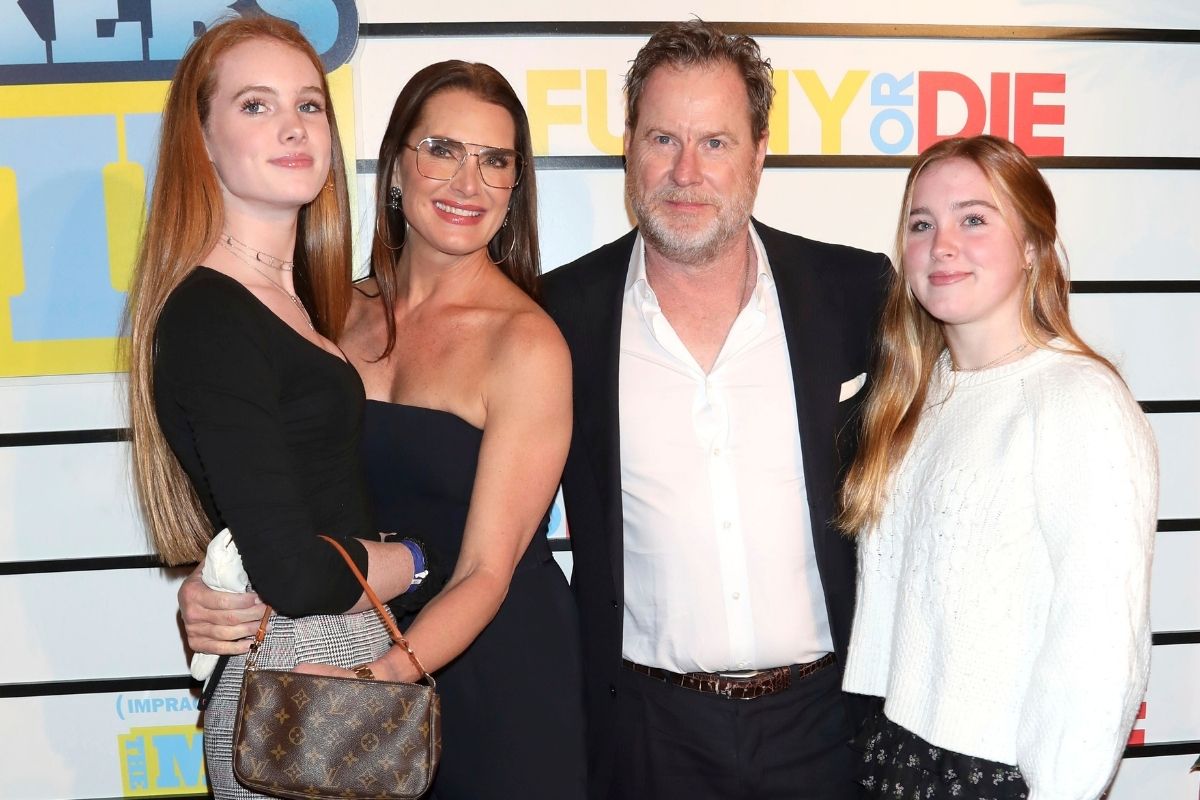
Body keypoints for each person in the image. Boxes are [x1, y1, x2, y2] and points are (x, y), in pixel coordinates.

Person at [177, 60, 587, 799]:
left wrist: (374, 685)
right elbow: (278, 504)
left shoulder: (526, 345)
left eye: (495, 161)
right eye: (442, 150)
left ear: (515, 187)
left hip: (490, 676)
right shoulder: (323, 314)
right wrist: (218, 587)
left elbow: (486, 571)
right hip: (343, 644)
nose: (468, 184)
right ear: (397, 165)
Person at [541, 20, 889, 800]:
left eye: (717, 143)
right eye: (663, 138)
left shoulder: (854, 293)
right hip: (646, 735)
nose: (685, 172)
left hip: (829, 725)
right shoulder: (559, 313)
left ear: (760, 153)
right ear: (628, 144)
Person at [124, 16, 422, 799]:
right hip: (298, 670)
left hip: (335, 661)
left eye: (309, 105)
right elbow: (291, 569)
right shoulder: (213, 315)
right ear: (204, 140)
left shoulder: (292, 306)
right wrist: (416, 561)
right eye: (255, 106)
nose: (293, 125)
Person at [838, 135, 1158, 800]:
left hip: (995, 775)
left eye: (974, 219)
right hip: (892, 752)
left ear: (1034, 247)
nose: (941, 244)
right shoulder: (917, 397)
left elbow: (1101, 643)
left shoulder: (1077, 400)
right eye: (921, 224)